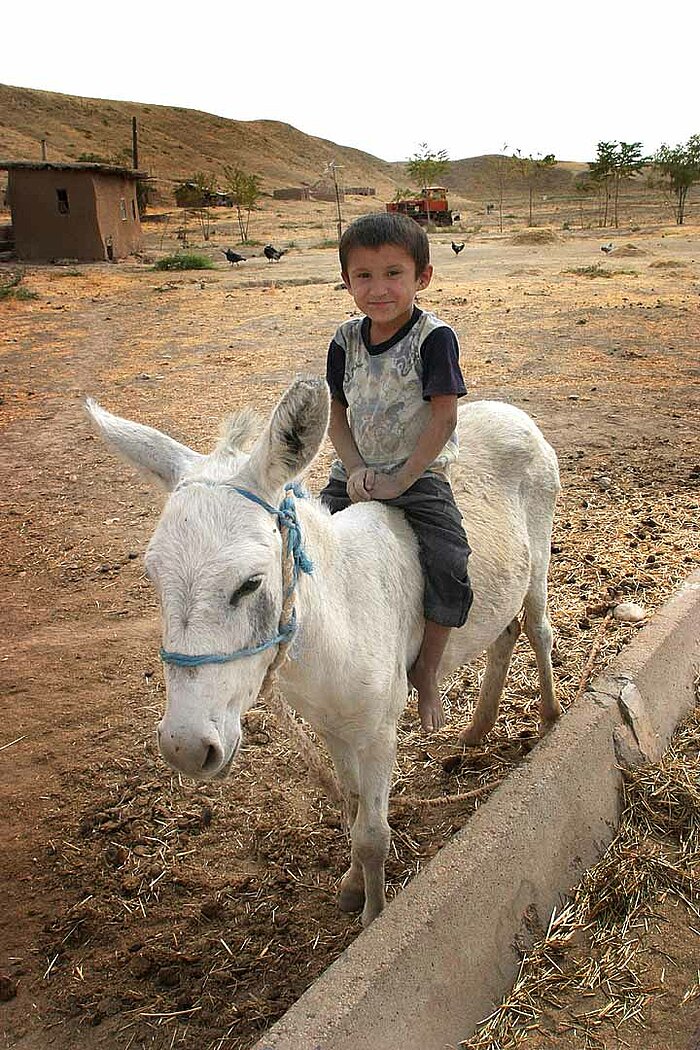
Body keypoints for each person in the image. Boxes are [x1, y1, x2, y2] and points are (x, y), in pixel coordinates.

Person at [320, 212, 473, 733]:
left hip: (419, 474)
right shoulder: (344, 340)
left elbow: (444, 415)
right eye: (363, 276)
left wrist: (402, 480)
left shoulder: (434, 339)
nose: (378, 288)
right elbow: (337, 413)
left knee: (449, 561)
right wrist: (356, 467)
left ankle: (426, 671)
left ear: (421, 277)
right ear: (346, 282)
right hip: (357, 472)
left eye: (393, 273)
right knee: (305, 539)